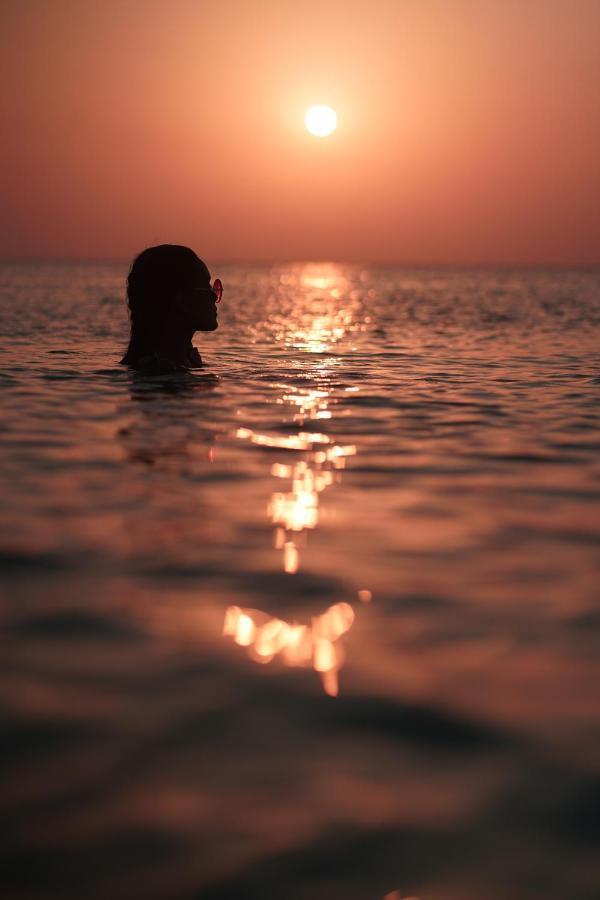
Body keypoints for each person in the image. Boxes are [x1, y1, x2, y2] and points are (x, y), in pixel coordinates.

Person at [120, 244, 221, 374]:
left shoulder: (184, 360)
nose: (213, 295)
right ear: (182, 300)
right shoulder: (161, 371)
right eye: (206, 287)